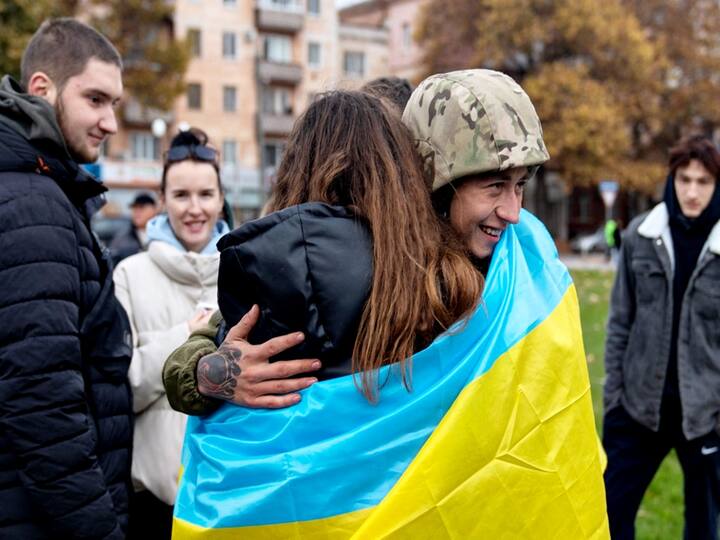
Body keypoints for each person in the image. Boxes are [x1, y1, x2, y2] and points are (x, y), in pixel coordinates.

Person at [164, 68, 549, 414]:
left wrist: (206, 373)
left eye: (519, 187)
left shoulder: (498, 270)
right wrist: (206, 371)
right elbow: (202, 346)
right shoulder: (424, 269)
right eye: (495, 187)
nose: (513, 212)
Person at [0, 18, 132, 539]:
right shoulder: (32, 204)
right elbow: (42, 401)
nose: (111, 122)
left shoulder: (40, 188)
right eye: (96, 100)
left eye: (115, 105)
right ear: (42, 88)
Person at [603, 134, 720, 539]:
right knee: (609, 515)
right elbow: (620, 321)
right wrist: (614, 402)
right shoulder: (640, 236)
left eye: (703, 182)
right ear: (671, 180)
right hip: (638, 410)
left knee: (704, 527)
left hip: (705, 417)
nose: (691, 191)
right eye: (684, 179)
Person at [113, 128, 227, 538]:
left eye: (205, 194)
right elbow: (122, 388)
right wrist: (185, 334)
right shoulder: (129, 274)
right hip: (153, 507)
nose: (194, 208)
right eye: (181, 195)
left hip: (227, 500)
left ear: (220, 198)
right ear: (163, 200)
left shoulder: (243, 273)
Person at [109, 191, 158, 265]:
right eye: (134, 208)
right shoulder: (121, 240)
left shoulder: (165, 235)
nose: (137, 211)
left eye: (142, 207)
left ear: (154, 210)